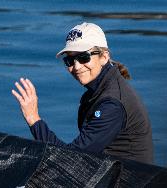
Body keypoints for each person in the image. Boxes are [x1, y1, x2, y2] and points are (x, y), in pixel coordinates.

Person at [12, 22, 153, 164]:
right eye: (70, 60)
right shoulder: (99, 91)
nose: (77, 67)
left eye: (84, 57)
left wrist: (34, 119)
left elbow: (69, 160)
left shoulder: (111, 104)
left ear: (104, 56)